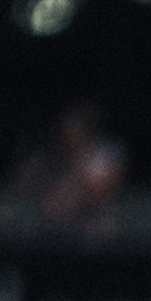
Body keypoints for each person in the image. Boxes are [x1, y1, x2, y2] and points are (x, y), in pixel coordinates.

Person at [18, 103, 125, 242]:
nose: (71, 136)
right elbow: (37, 192)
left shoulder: (106, 152)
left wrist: (79, 171)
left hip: (92, 229)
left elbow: (99, 191)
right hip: (57, 231)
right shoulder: (59, 155)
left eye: (75, 130)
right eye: (68, 132)